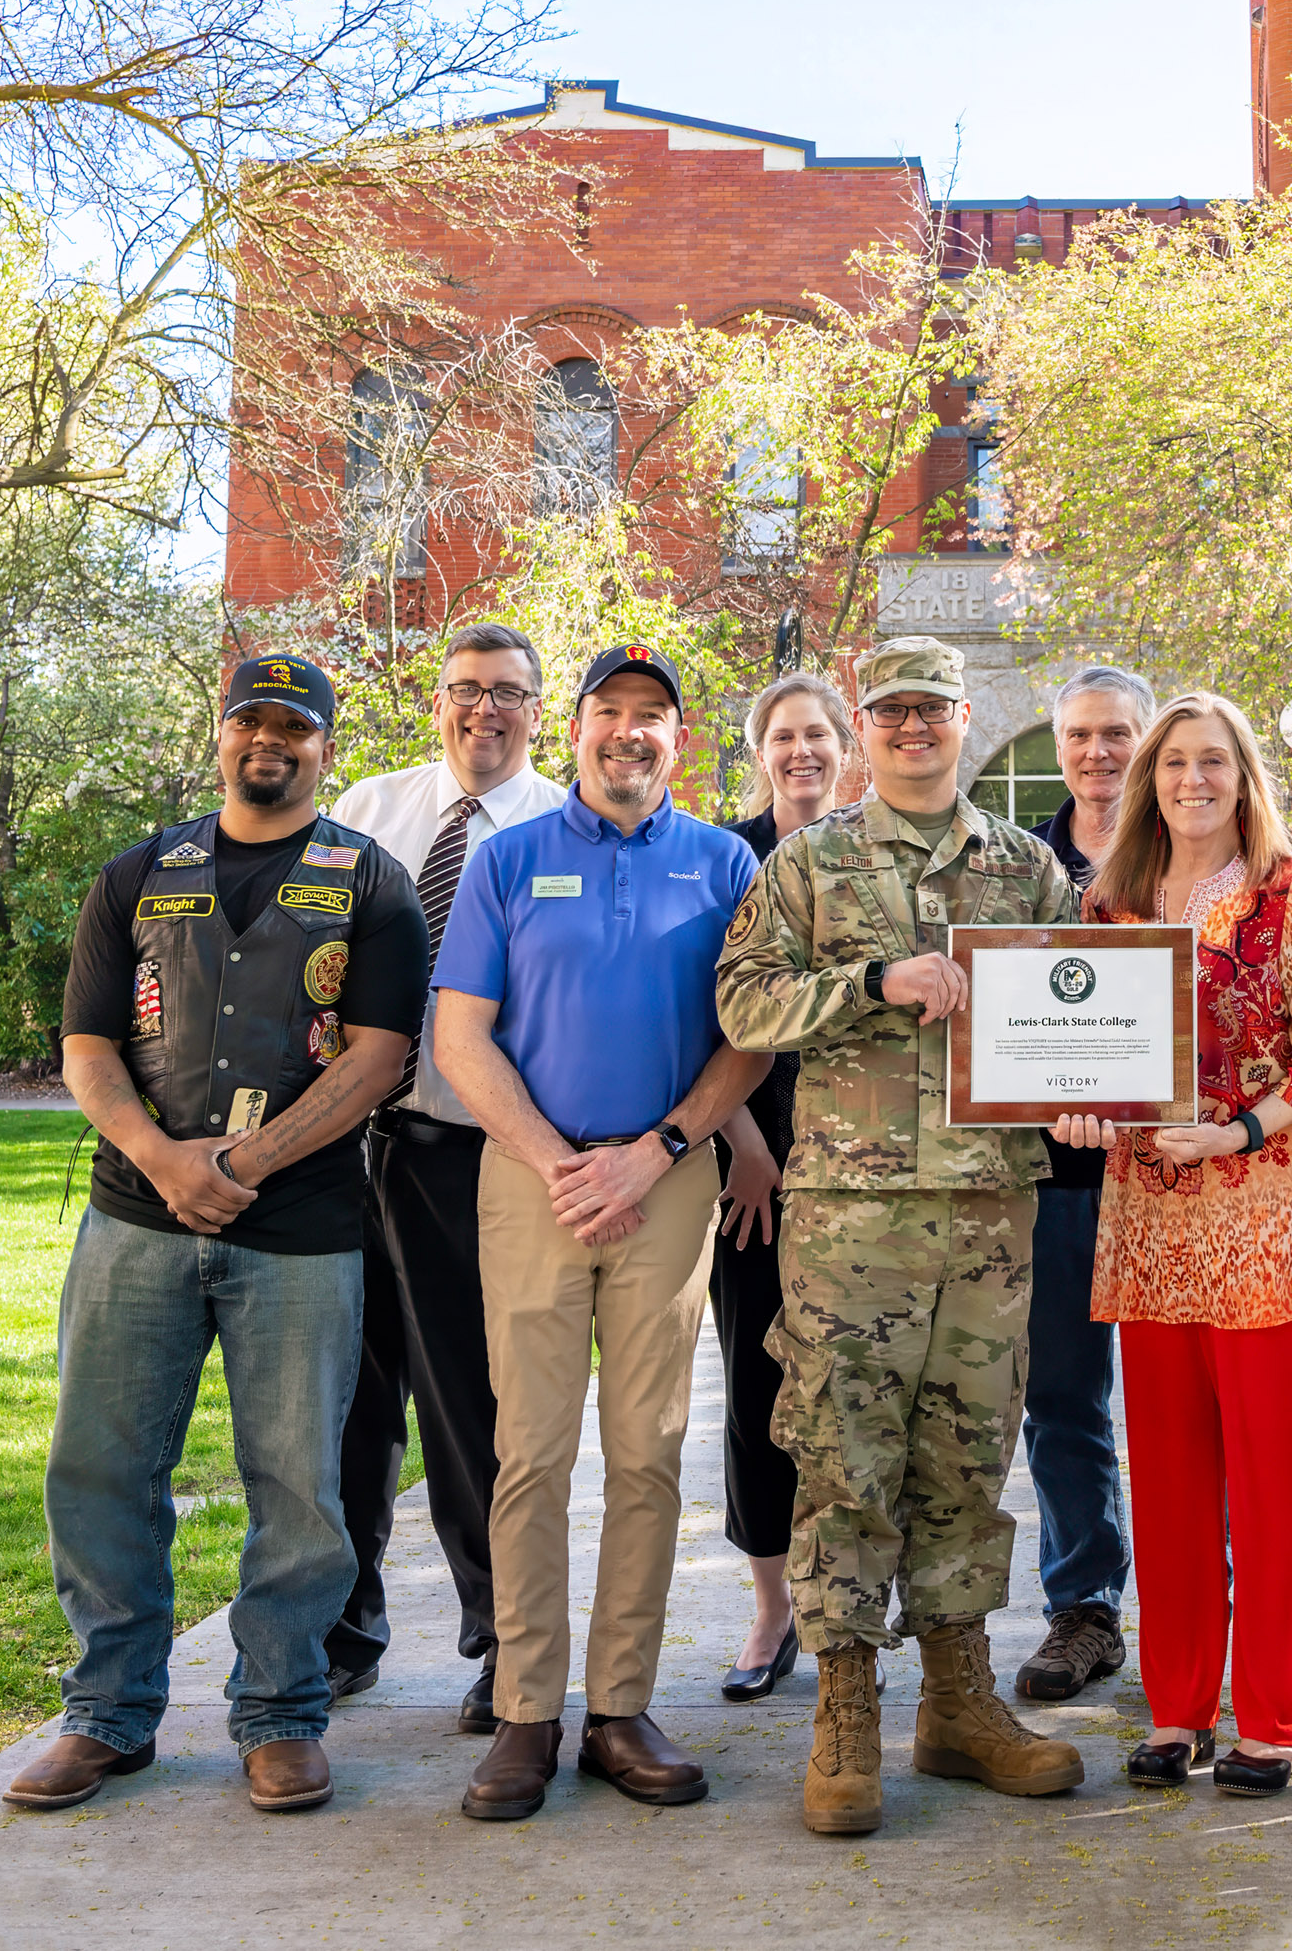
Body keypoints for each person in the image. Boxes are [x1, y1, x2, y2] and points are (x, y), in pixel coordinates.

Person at [9, 653, 430, 1818]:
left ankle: (283, 1712)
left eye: (294, 727)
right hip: (132, 1221)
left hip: (300, 1231)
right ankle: (107, 1711)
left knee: (299, 1482)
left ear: (325, 746)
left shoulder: (370, 885)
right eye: (251, 720)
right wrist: (164, 1161)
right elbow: (88, 1050)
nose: (270, 743)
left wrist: (240, 1165)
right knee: (99, 1466)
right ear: (220, 732)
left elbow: (380, 1060)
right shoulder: (142, 875)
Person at [715, 635, 1088, 1838]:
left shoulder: (1029, 866)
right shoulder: (809, 863)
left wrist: (1084, 1093)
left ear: (966, 718)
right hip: (850, 1221)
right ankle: (845, 1711)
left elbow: (1078, 1014)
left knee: (969, 1463)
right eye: (892, 711)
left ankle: (959, 1702)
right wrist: (876, 982)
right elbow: (742, 1003)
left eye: (932, 709)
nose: (913, 727)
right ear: (864, 728)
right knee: (844, 1459)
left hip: (988, 1212)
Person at [443, 644, 771, 1818]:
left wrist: (662, 1149)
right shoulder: (510, 860)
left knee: (645, 1454)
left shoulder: (724, 862)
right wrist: (554, 1161)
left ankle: (620, 1709)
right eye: (609, 713)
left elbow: (751, 1035)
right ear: (573, 730)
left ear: (680, 741)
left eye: (654, 718)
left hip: (666, 1182)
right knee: (529, 1454)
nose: (629, 733)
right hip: (534, 1183)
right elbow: (461, 1039)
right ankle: (526, 1711)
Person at [1045, 690, 1292, 1793]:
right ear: (1148, 780)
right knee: (1167, 1483)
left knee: (1269, 1484)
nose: (1192, 781)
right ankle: (1177, 1709)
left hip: (1259, 1215)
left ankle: (1274, 1714)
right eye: (1174, 764)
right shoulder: (1111, 904)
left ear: (1244, 773)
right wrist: (1069, 1109)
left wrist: (1235, 1128)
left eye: (1213, 761)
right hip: (1147, 1220)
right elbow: (1073, 1059)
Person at [320, 622, 568, 1730]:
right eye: (467, 689)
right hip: (334, 1148)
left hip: (468, 1152)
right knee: (341, 1399)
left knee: (470, 1406)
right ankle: (340, 1626)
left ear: (537, 709)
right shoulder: (367, 812)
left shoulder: (565, 828)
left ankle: (495, 1635)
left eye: (509, 693)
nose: (486, 710)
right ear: (438, 701)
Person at [705, 669, 853, 1700]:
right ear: (758, 752)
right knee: (758, 1390)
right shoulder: (724, 860)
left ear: (844, 748)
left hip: (870, 1180)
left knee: (860, 1400)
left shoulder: (880, 855)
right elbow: (694, 1014)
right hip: (749, 1175)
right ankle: (770, 1612)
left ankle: (850, 1612)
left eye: (816, 734)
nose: (800, 751)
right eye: (781, 735)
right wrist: (745, 1141)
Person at [1011, 663, 1151, 1705]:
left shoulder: (1192, 858)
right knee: (1061, 1401)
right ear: (1058, 747)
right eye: (1081, 736)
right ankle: (1085, 1609)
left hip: (1182, 1181)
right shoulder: (1014, 867)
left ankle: (1208, 1597)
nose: (1098, 753)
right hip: (1055, 1175)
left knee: (1179, 1402)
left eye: (1117, 734)